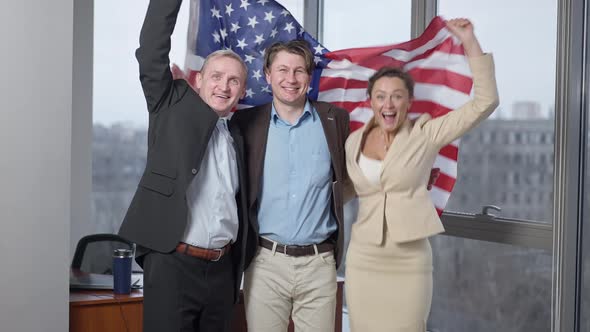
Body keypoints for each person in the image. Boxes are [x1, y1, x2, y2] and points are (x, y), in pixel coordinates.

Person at [344, 18, 500, 331]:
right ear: (371, 102)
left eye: (397, 96)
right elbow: (346, 190)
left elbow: (485, 102)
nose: (389, 103)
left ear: (409, 102)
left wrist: (469, 41)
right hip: (363, 259)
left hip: (408, 262)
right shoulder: (353, 141)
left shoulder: (425, 133)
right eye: (381, 96)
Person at [118, 0, 254, 331]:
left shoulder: (239, 133)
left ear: (243, 90)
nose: (224, 86)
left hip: (223, 273)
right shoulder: (170, 105)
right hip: (172, 264)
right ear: (198, 79)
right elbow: (151, 49)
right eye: (217, 77)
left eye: (234, 81)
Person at [231, 39, 351, 332]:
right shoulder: (246, 123)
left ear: (309, 78)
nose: (291, 79)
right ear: (267, 75)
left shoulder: (335, 120)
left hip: (319, 264)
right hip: (264, 264)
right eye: (282, 70)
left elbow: (355, 176)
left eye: (299, 71)